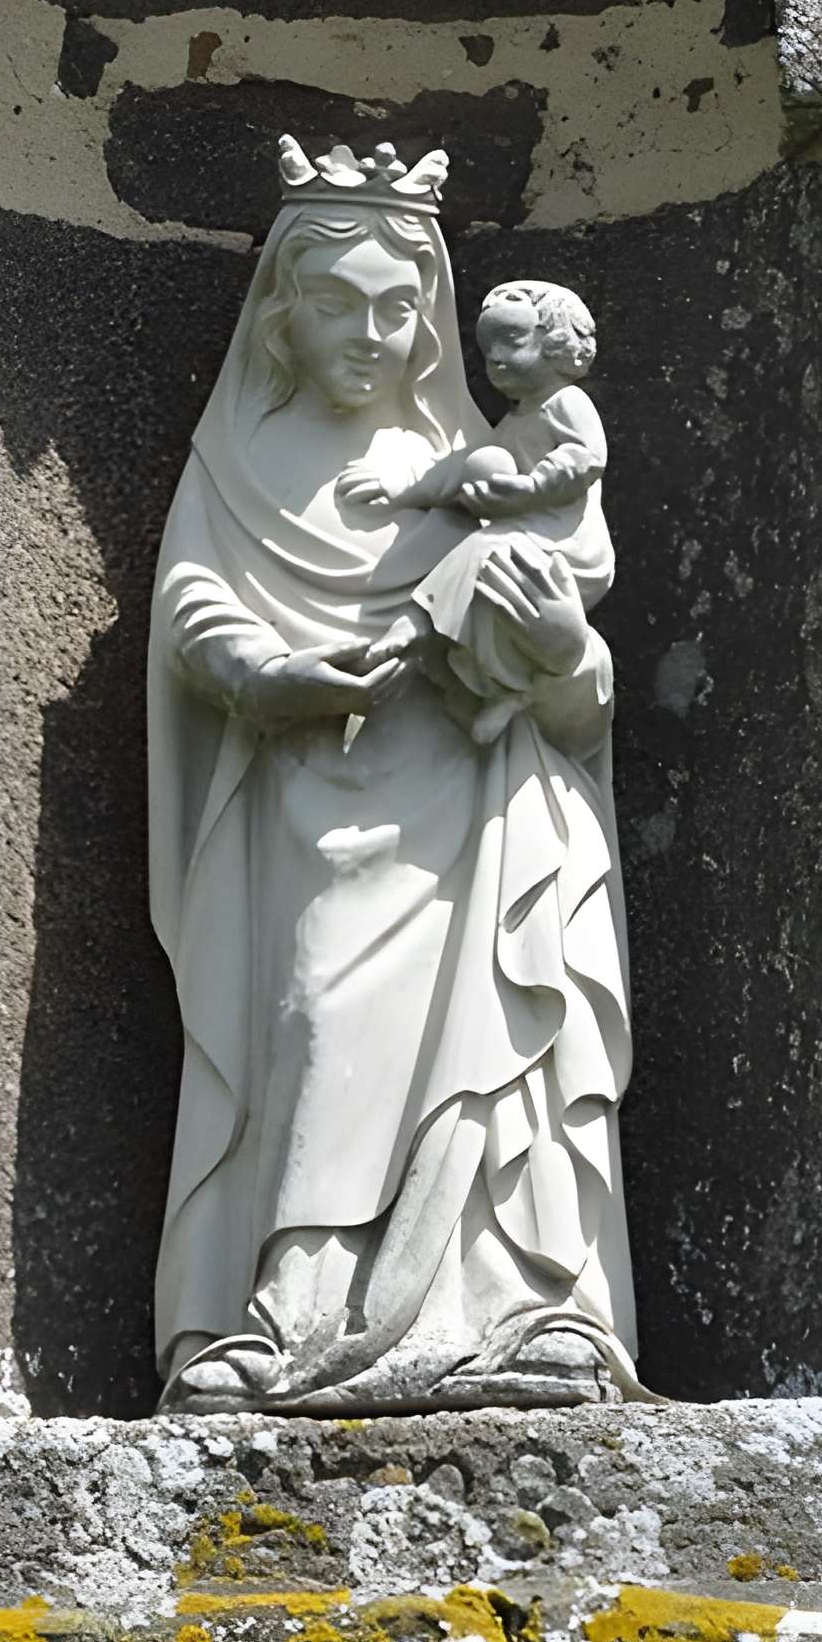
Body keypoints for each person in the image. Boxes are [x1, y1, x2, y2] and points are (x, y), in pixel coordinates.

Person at [146, 136, 642, 1414]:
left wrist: (556, 645)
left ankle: (520, 1306)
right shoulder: (239, 463)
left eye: (395, 307)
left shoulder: (485, 460)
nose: (370, 334)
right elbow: (192, 610)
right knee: (317, 1023)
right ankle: (293, 1316)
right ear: (284, 310)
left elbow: (581, 695)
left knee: (500, 1036)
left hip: (481, 807)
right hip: (315, 797)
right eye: (337, 304)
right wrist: (268, 674)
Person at [337, 279, 612, 745]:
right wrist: (405, 489)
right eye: (488, 350)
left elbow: (585, 457)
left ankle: (417, 624)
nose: (496, 359)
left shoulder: (566, 403)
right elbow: (461, 471)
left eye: (512, 340)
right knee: (489, 575)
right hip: (526, 535)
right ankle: (508, 695)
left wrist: (531, 488)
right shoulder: (514, 422)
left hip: (567, 544)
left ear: (556, 345)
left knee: (482, 548)